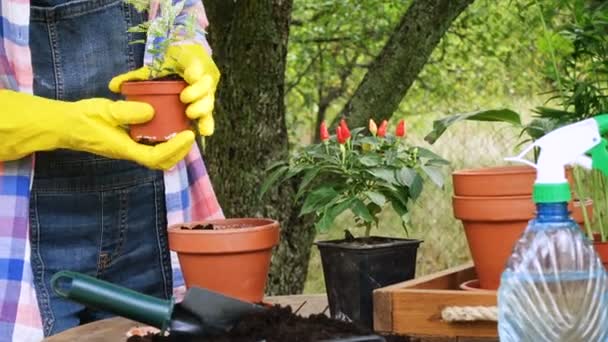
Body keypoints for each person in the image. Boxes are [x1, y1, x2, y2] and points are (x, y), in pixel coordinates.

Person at [0, 0, 223, 340]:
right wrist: (68, 124)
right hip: (28, 224)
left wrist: (190, 52)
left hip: (153, 214)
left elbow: (182, 13)